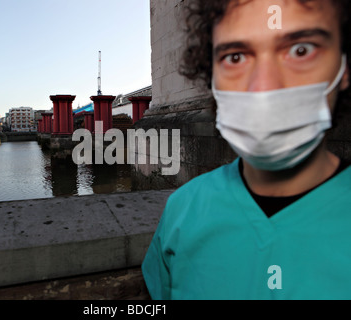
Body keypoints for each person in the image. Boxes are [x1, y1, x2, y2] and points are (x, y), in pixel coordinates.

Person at [142, 0, 351, 299]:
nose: (263, 87)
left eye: (300, 50)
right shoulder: (182, 210)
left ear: (344, 70)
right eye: (236, 56)